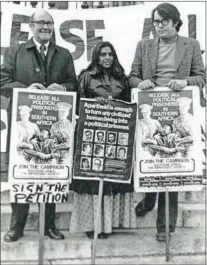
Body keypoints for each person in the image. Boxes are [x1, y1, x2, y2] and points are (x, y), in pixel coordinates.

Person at [128, 3, 206, 242]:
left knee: (172, 166)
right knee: (151, 158)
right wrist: (140, 83)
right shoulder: (144, 45)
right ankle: (150, 198)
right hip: (151, 110)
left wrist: (185, 82)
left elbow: (202, 78)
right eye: (155, 22)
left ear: (175, 22)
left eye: (163, 21)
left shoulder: (191, 45)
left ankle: (165, 227)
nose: (159, 26)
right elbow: (132, 75)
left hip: (179, 112)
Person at [1, 9, 77, 242]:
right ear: (31, 26)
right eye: (41, 23)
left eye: (49, 23)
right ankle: (17, 226)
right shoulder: (15, 51)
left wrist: (62, 88)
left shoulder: (63, 54)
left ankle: (49, 225)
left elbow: (73, 83)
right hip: (25, 125)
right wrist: (24, 89)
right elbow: (3, 80)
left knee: (51, 171)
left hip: (52, 125)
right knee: (23, 171)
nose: (46, 27)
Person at [70, 41, 135, 239]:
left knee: (110, 178)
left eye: (110, 54)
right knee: (90, 179)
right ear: (96, 57)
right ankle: (91, 225)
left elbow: (128, 104)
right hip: (92, 134)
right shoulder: (86, 77)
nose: (107, 57)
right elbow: (79, 105)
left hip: (115, 135)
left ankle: (107, 225)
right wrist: (94, 105)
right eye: (103, 54)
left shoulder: (122, 79)